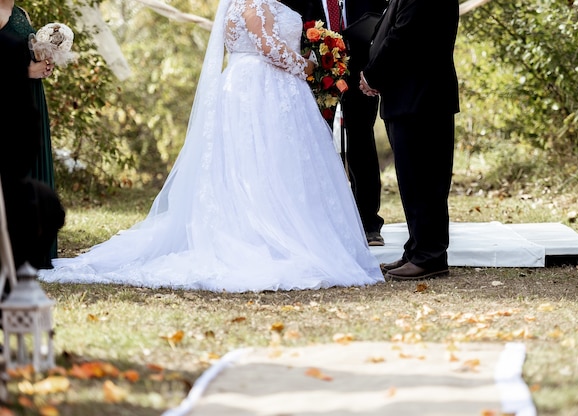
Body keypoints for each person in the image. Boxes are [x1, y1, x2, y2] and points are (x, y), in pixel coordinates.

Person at [38, 0, 384, 292]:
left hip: (258, 87)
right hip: (263, 88)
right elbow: (268, 46)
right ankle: (269, 234)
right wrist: (309, 66)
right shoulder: (254, 2)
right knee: (265, 165)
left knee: (263, 165)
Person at [359, 0, 460, 280]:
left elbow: (404, 36)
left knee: (425, 181)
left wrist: (373, 75)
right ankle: (417, 250)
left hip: (421, 97)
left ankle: (430, 256)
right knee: (413, 181)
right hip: (409, 97)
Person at [281, 0, 387, 247]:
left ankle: (369, 223)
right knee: (316, 143)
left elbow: (383, 24)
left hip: (359, 73)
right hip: (314, 76)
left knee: (362, 141)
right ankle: (320, 220)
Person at [0, 30, 65, 273]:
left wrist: (43, 63)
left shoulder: (22, 13)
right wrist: (26, 71)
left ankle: (31, 251)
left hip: (27, 97)